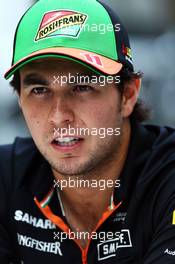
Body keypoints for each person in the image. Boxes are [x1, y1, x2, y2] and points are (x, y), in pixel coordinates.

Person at [1, 0, 175, 263]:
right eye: (39, 90)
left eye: (82, 87)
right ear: (20, 100)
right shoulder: (6, 178)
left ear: (128, 94)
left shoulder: (167, 179)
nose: (59, 116)